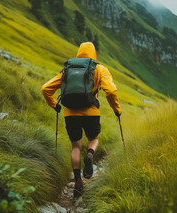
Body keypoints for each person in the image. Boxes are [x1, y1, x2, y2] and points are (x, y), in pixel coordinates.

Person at [41, 42, 122, 198]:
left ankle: (78, 181)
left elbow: (46, 89)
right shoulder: (99, 69)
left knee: (76, 147)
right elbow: (111, 91)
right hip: (91, 112)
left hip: (70, 114)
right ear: (93, 54)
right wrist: (117, 110)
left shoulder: (68, 69)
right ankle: (90, 155)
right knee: (94, 138)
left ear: (79, 53)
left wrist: (54, 105)